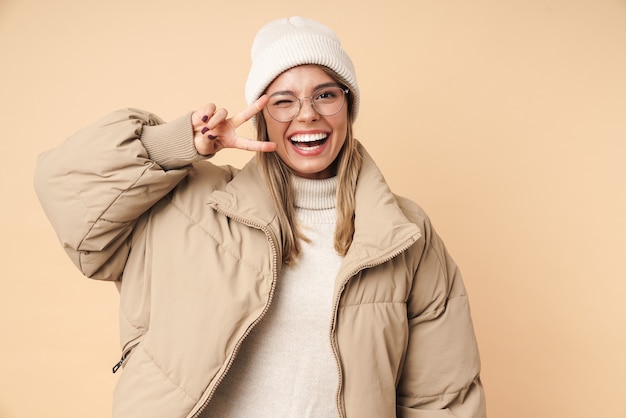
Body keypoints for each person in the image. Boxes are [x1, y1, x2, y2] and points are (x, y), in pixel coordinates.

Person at [34, 16, 486, 418]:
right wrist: (173, 145)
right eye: (283, 100)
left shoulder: (403, 232)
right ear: (261, 116)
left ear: (348, 106)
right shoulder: (193, 200)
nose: (307, 114)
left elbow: (440, 396)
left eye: (325, 95)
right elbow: (68, 193)